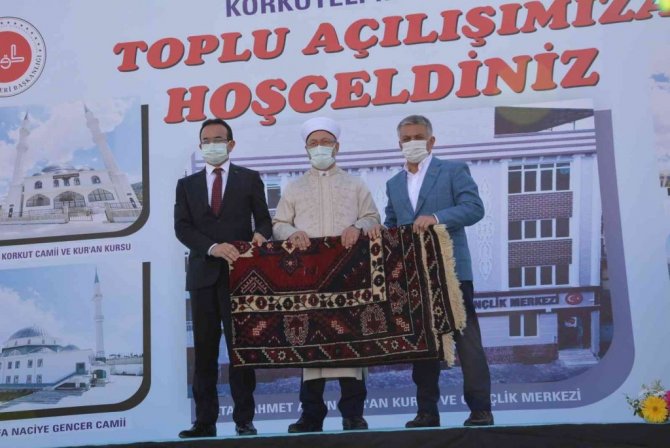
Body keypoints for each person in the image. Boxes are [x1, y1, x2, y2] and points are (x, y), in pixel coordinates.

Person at [377, 114, 493, 427]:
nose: (412, 143)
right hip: (414, 274)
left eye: (418, 137)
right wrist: (380, 233)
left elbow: (474, 208)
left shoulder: (453, 170)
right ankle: (427, 412)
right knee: (423, 344)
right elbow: (393, 224)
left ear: (431, 141)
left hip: (452, 271)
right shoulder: (394, 183)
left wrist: (437, 217)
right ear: (399, 144)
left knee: (467, 340)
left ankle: (481, 409)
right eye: (406, 139)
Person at [273, 117, 381, 433]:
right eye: (314, 143)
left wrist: (357, 226)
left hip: (349, 277)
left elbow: (374, 218)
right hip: (309, 278)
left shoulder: (355, 184)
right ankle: (311, 415)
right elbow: (278, 224)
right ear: (306, 149)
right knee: (310, 348)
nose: (320, 148)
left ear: (337, 146)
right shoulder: (294, 188)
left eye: (325, 142)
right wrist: (292, 233)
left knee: (352, 345)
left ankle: (353, 414)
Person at [174, 118, 272, 438]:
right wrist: (213, 247)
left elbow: (264, 221)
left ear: (231, 144)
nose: (212, 145)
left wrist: (259, 236)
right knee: (204, 352)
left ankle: (244, 419)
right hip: (202, 276)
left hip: (240, 277)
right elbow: (182, 228)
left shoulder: (249, 179)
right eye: (206, 140)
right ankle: (204, 422)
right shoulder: (186, 185)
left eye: (218, 139)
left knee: (240, 350)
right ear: (200, 145)